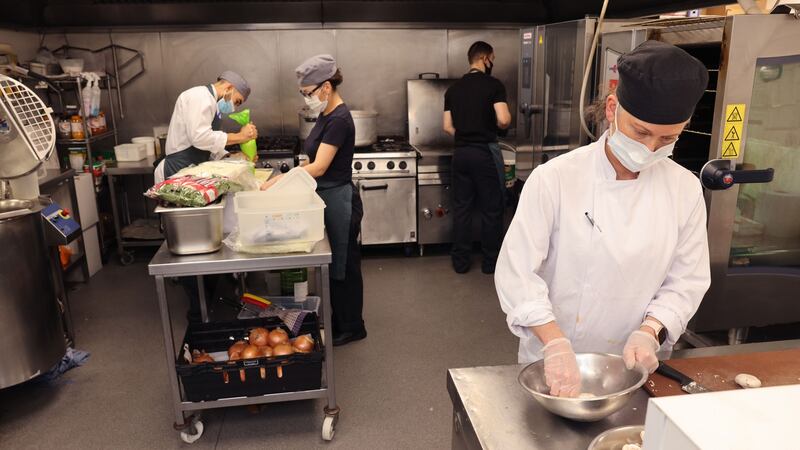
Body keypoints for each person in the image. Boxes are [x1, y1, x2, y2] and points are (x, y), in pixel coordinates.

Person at [495, 41, 712, 397]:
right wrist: (554, 343)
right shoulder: (556, 179)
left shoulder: (685, 190)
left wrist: (651, 330)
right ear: (612, 108)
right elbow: (517, 272)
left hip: (637, 364)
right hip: (555, 361)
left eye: (668, 138)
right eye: (641, 132)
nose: (650, 148)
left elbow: (685, 282)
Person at [263, 54, 366, 346]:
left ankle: (353, 326)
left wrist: (280, 181)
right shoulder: (325, 115)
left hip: (339, 200)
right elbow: (312, 157)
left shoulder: (340, 120)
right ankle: (339, 320)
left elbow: (320, 167)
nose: (307, 99)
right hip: (325, 197)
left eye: (307, 93)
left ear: (326, 87)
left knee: (344, 266)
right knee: (334, 263)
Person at [443, 41, 512, 275]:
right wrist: (490, 128)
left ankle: (460, 262)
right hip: (484, 153)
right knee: (491, 208)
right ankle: (490, 263)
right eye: (492, 58)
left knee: (462, 208)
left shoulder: (453, 89)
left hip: (461, 153)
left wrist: (465, 135)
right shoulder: (494, 86)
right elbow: (503, 119)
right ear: (485, 58)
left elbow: (446, 126)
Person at [154, 70, 257, 183]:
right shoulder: (199, 96)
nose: (234, 107)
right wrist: (240, 137)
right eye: (237, 101)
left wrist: (230, 156)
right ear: (229, 88)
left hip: (189, 171)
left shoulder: (213, 105)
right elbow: (200, 138)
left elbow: (207, 146)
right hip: (175, 170)